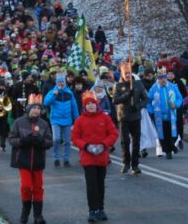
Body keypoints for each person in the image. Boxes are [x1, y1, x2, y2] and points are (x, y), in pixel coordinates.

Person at [72, 91, 119, 222]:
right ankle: (92, 210)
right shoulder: (80, 120)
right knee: (91, 185)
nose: (91, 106)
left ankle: (100, 209)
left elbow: (113, 133)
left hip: (101, 156)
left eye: (93, 103)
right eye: (88, 104)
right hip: (88, 158)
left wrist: (103, 145)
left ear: (97, 104)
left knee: (100, 184)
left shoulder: (105, 118)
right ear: (84, 106)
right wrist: (86, 146)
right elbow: (75, 137)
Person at [8, 96, 53, 224]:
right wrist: (22, 141)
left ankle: (38, 216)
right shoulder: (18, 122)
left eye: (39, 108)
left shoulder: (44, 124)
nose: (36, 111)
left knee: (38, 188)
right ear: (28, 109)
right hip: (23, 159)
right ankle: (25, 213)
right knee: (27, 187)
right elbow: (11, 139)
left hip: (38, 161)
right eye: (34, 108)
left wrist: (41, 142)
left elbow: (50, 142)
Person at [113, 61, 148, 174]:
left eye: (129, 72)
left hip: (135, 116)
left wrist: (138, 106)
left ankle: (135, 165)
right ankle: (126, 163)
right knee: (125, 141)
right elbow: (115, 100)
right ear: (122, 74)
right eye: (125, 73)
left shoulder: (138, 84)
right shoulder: (118, 86)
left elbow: (146, 99)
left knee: (136, 141)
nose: (128, 75)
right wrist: (128, 94)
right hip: (123, 117)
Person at [43, 72, 79, 167]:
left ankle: (66, 159)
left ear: (65, 82)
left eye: (62, 82)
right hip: (55, 120)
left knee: (67, 141)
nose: (61, 84)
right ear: (56, 83)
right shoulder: (52, 92)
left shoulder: (69, 93)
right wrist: (54, 95)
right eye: (59, 82)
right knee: (56, 139)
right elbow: (46, 103)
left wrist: (77, 120)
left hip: (67, 120)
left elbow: (74, 107)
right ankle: (56, 158)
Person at [148, 68, 183, 159]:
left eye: (164, 77)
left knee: (172, 134)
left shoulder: (172, 87)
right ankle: (168, 151)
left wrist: (175, 105)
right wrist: (151, 111)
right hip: (159, 116)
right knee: (163, 135)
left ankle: (171, 147)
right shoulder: (154, 88)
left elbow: (180, 98)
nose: (163, 80)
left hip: (171, 115)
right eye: (160, 78)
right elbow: (148, 101)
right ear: (158, 79)